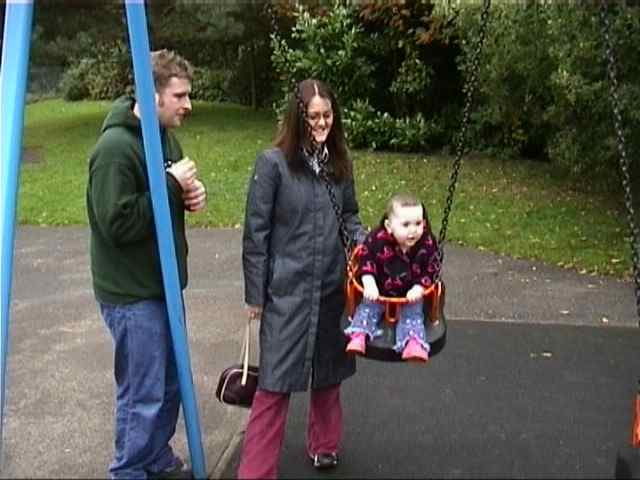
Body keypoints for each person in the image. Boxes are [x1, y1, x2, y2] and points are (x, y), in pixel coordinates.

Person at [86, 49, 206, 480]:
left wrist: (192, 194)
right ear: (151, 95)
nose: (188, 105)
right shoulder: (115, 150)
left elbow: (168, 194)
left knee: (171, 382)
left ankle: (155, 456)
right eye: (180, 96)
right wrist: (171, 187)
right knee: (143, 392)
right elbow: (117, 224)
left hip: (163, 284)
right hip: (132, 292)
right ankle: (130, 469)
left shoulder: (163, 137)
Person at [239, 78, 366, 479]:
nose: (322, 123)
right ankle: (256, 472)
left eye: (327, 115)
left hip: (330, 285)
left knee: (328, 372)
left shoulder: (338, 163)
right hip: (286, 290)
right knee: (274, 383)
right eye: (313, 117)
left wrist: (368, 253)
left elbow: (349, 217)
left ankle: (324, 445)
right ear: (298, 118)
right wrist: (255, 294)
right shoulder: (273, 164)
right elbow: (255, 232)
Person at [344, 193, 440, 362]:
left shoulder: (427, 243)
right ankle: (359, 334)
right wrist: (368, 281)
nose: (413, 230)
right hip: (379, 289)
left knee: (413, 315)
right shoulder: (377, 239)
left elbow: (431, 268)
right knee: (368, 308)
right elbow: (366, 258)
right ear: (389, 226)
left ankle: (413, 344)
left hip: (409, 293)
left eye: (418, 223)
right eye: (406, 224)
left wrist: (419, 287)